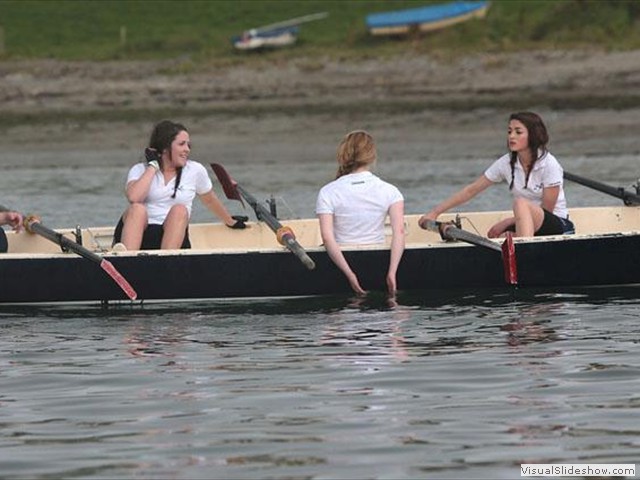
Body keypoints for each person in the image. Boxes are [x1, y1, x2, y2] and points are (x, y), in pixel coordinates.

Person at [419, 111, 574, 238]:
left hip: (558, 225)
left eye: (518, 132)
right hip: (528, 220)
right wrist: (434, 213)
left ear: (532, 135)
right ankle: (520, 250)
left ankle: (525, 252)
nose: (511, 136)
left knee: (520, 203)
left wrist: (508, 222)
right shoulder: (506, 163)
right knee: (495, 235)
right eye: (509, 131)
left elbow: (547, 210)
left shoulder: (549, 163)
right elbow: (471, 190)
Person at [113, 120, 245, 250]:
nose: (187, 149)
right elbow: (134, 197)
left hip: (173, 234)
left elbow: (210, 200)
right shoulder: (140, 169)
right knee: (137, 209)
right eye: (182, 144)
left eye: (188, 145)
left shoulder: (195, 170)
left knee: (180, 210)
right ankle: (126, 259)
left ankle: (168, 263)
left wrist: (230, 221)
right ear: (165, 148)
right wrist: (153, 166)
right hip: (138, 234)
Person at [316, 130, 405, 296]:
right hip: (379, 262)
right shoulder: (390, 191)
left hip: (340, 263)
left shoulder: (328, 192)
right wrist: (392, 272)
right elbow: (399, 233)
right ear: (372, 156)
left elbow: (327, 238)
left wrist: (349, 274)